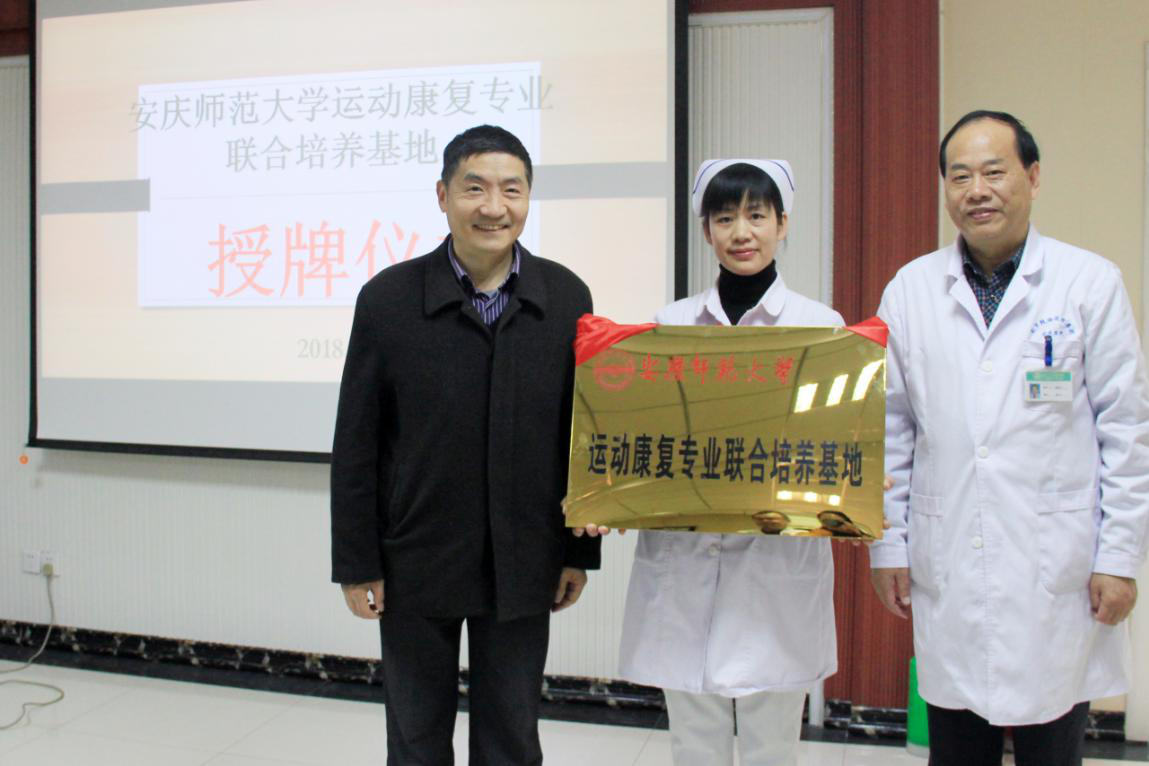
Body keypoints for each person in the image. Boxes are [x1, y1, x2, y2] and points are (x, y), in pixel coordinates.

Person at [870, 110, 1149, 766]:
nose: (977, 191)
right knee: (955, 747)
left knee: (1051, 746)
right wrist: (888, 545)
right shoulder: (910, 291)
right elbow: (888, 429)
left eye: (994, 172)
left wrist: (1119, 557)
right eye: (960, 176)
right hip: (950, 560)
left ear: (1032, 177)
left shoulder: (1087, 283)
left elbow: (1126, 428)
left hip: (1055, 568)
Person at [330, 124, 601, 765]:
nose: (493, 207)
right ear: (443, 196)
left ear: (528, 197)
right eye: (474, 188)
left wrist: (578, 552)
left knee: (512, 737)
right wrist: (356, 561)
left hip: (525, 556)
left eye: (512, 189)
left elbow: (583, 434)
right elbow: (357, 441)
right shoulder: (388, 300)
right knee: (416, 739)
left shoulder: (567, 297)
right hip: (415, 557)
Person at [614, 159, 843, 766]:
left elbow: (837, 442)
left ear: (783, 224)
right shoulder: (670, 325)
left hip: (777, 569)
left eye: (757, 216)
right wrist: (615, 495)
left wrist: (861, 476)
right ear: (706, 231)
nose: (742, 232)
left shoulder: (821, 327)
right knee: (694, 743)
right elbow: (647, 440)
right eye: (724, 218)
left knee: (772, 745)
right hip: (686, 567)